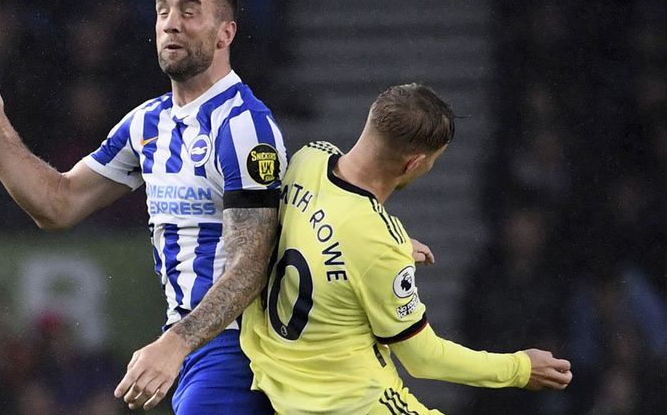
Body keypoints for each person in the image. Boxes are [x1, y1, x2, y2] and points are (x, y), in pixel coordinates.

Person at [0, 0, 286, 413]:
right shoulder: (147, 123)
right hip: (195, 349)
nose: (171, 23)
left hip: (239, 348)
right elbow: (58, 204)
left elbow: (252, 264)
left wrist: (175, 343)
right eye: (162, 11)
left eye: (189, 11)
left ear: (226, 33)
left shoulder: (244, 126)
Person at [240, 84, 573, 415]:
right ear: (413, 164)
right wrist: (520, 368)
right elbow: (423, 358)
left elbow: (305, 233)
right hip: (355, 403)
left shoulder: (308, 158)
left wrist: (382, 250)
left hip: (283, 389)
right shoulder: (379, 244)